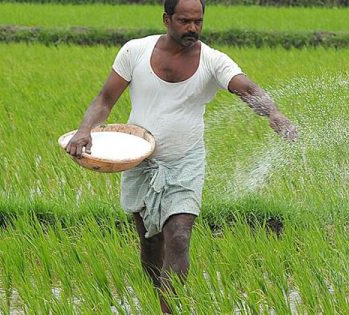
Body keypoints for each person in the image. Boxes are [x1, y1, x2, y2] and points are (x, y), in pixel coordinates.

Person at [65, 0, 298, 312]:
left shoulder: (213, 61)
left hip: (185, 160)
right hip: (138, 160)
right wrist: (85, 130)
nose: (193, 28)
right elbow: (105, 99)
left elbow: (245, 86)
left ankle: (168, 309)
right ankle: (160, 295)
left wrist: (273, 113)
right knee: (150, 243)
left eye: (198, 21)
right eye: (185, 21)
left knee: (179, 235)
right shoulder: (135, 51)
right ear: (166, 19)